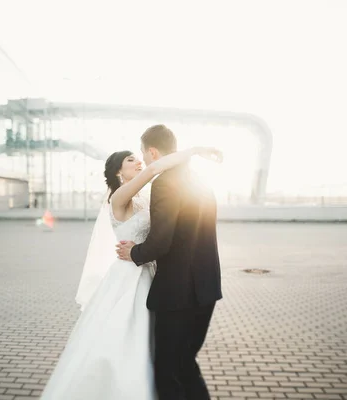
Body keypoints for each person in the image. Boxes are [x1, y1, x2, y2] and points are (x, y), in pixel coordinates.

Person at [40, 134, 222, 400]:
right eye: (130, 160)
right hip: (128, 277)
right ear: (118, 172)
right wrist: (195, 149)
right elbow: (153, 169)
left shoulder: (144, 199)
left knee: (157, 350)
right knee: (126, 342)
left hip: (149, 273)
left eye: (138, 157)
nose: (137, 162)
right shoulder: (118, 198)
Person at [117, 124, 223, 400]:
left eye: (143, 153)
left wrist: (135, 253)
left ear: (153, 152)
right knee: (186, 366)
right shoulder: (200, 179)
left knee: (167, 373)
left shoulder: (165, 182)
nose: (144, 160)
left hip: (178, 295)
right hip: (207, 287)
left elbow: (161, 240)